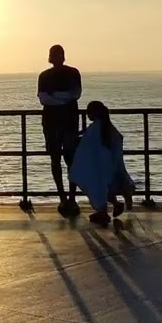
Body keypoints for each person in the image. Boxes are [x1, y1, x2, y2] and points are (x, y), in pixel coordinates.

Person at [68, 101, 135, 227]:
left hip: (97, 166)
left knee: (87, 180)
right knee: (105, 185)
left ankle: (103, 211)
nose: (87, 115)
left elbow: (87, 147)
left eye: (88, 112)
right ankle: (115, 203)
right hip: (108, 166)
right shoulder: (107, 127)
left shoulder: (96, 129)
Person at [37, 45, 82, 216]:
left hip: (61, 122)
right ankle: (65, 197)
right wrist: (65, 98)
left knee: (69, 160)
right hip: (58, 122)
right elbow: (44, 98)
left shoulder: (71, 73)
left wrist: (54, 96)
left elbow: (76, 94)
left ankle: (69, 198)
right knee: (58, 160)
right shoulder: (51, 75)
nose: (56, 57)